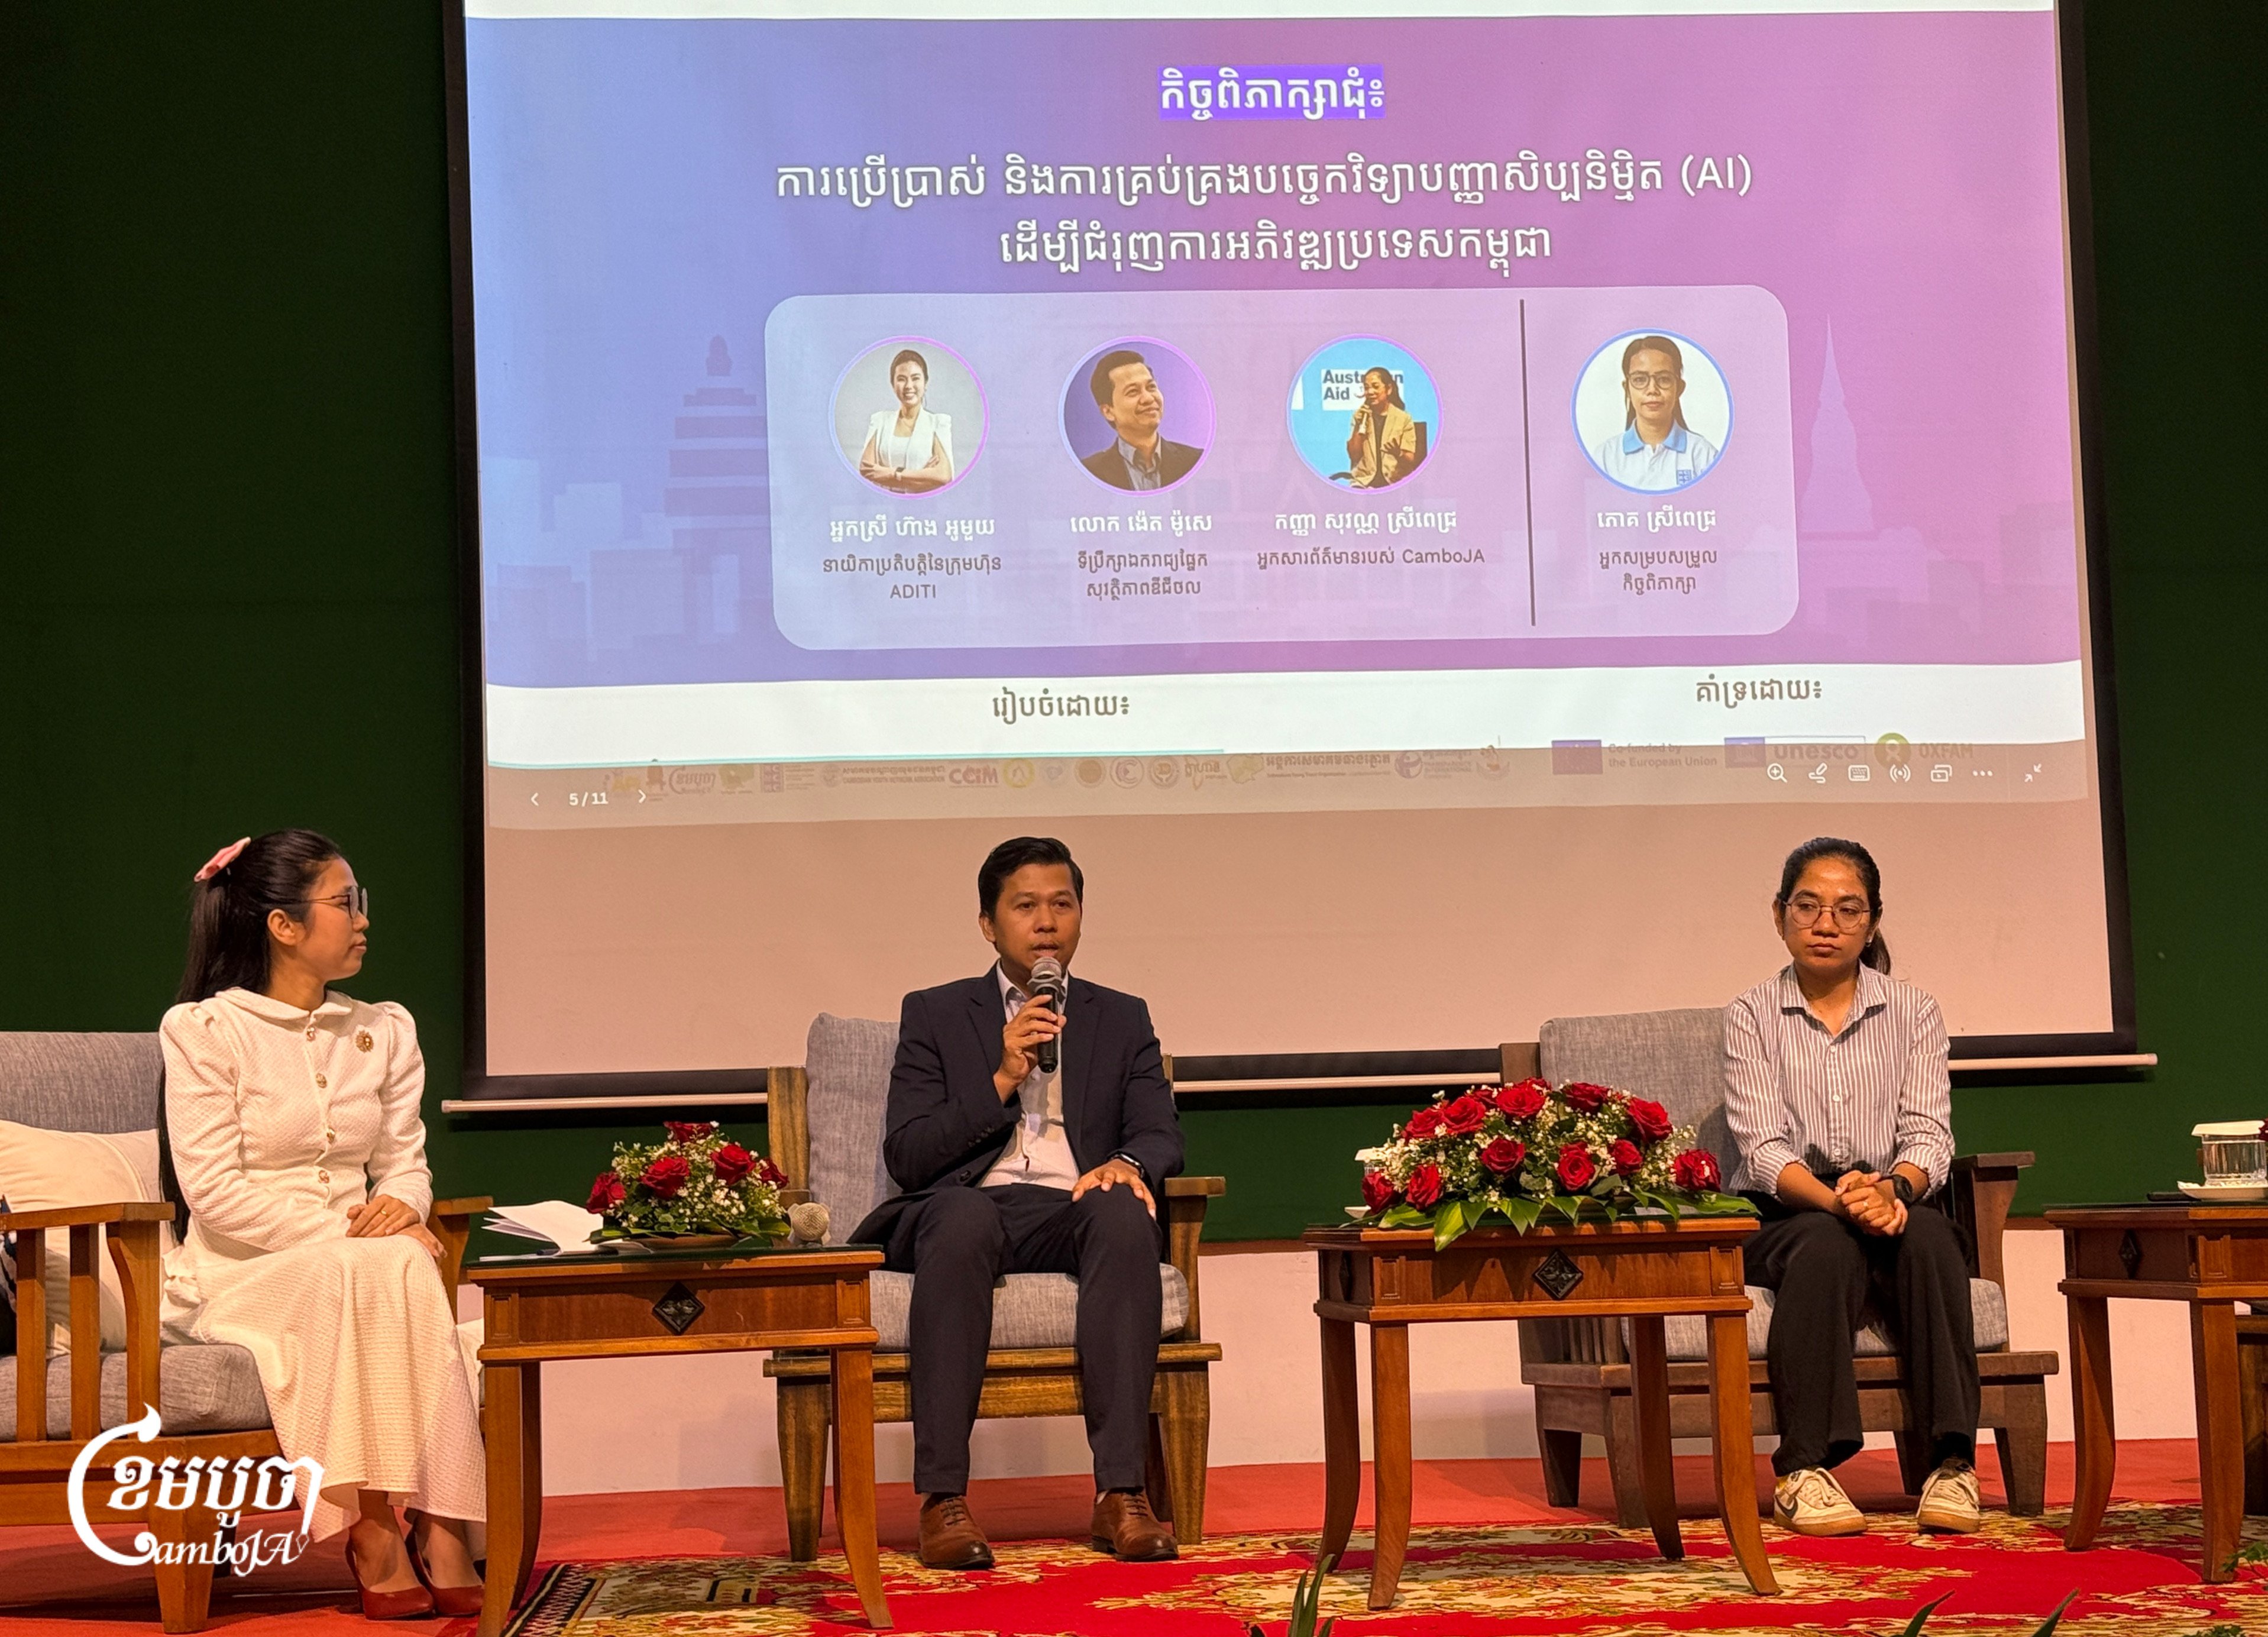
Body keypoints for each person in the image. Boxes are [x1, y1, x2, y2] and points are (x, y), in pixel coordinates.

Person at [160, 830, 485, 1619]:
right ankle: (377, 1527)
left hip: (360, 1263)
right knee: (377, 1265)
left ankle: (436, 1521)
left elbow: (406, 1160)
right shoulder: (205, 1033)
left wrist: (402, 1205)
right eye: (346, 903)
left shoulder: (383, 1029)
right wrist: (351, 1231)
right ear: (283, 925)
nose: (363, 919)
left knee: (397, 1262)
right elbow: (215, 1194)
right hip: (240, 1271)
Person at [851, 836, 1184, 1570]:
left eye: (1061, 905)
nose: (1045, 923)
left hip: (1070, 1202)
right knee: (964, 1217)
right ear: (987, 923)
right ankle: (943, 1498)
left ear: (1080, 917)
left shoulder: (1121, 1016)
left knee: (1125, 1211)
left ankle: (1121, 1494)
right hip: (968, 1205)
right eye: (1025, 906)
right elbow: (907, 1154)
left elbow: (1159, 1133)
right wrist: (1001, 1076)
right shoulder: (936, 1014)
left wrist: (1125, 1165)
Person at [1722, 837, 1981, 1539]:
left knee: (1929, 1237)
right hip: (1791, 1207)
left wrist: (1893, 1188)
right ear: (1779, 916)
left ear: (1871, 921)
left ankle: (1951, 1462)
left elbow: (1929, 1133)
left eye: (1846, 908)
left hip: (1893, 1192)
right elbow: (1764, 1148)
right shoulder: (1750, 1013)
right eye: (1807, 905)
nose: (1825, 922)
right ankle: (1805, 1468)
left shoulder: (1913, 1009)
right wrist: (1840, 1201)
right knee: (1826, 1247)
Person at [1590, 334, 1719, 491]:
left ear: (1679, 388)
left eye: (1664, 379)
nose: (1652, 390)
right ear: (1627, 389)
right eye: (1640, 380)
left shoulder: (1703, 455)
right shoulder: (1605, 457)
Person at [1079, 348, 1203, 490]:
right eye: (1133, 391)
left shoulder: (1196, 461)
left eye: (1151, 387)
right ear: (1108, 412)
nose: (1149, 398)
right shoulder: (1089, 473)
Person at [856, 348, 955, 493]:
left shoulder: (938, 423)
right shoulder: (880, 421)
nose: (909, 386)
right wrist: (923, 477)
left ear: (925, 383)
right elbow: (866, 470)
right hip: (886, 506)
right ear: (893, 385)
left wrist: (893, 473)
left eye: (915, 378)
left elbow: (944, 476)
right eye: (901, 379)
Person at [1341, 365, 1421, 487]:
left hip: (1395, 483)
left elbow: (1410, 460)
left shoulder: (1404, 419)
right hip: (1363, 483)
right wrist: (1358, 426)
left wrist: (1397, 453)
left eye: (1376, 387)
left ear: (1389, 389)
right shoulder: (1360, 416)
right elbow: (1354, 456)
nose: (1370, 392)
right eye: (1367, 388)